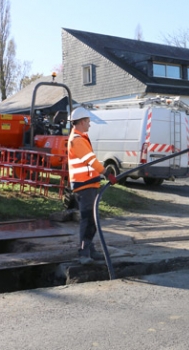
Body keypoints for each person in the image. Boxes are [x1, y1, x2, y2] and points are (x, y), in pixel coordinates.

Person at [67, 107, 117, 264]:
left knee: (92, 220)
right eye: (88, 121)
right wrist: (106, 173)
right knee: (88, 219)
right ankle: (83, 252)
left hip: (89, 183)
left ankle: (90, 249)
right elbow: (91, 161)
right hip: (84, 185)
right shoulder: (77, 139)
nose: (89, 124)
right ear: (82, 122)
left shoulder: (80, 137)